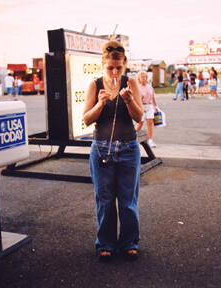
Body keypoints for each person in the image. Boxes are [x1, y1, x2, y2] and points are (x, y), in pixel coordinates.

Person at [83, 40, 143, 262]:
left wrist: (128, 101)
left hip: (128, 148)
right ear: (103, 65)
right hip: (101, 149)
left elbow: (139, 117)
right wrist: (99, 105)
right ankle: (105, 243)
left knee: (128, 200)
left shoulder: (131, 83)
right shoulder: (95, 85)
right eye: (110, 67)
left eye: (119, 67)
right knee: (105, 200)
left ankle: (129, 242)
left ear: (124, 65)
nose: (115, 72)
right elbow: (87, 119)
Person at [135, 70, 158, 148]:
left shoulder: (149, 86)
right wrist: (141, 107)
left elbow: (153, 97)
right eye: (142, 77)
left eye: (144, 77)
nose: (143, 78)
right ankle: (133, 138)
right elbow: (137, 99)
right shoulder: (137, 87)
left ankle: (150, 140)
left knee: (150, 122)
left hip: (149, 106)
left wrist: (156, 107)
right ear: (139, 78)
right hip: (141, 106)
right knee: (140, 123)